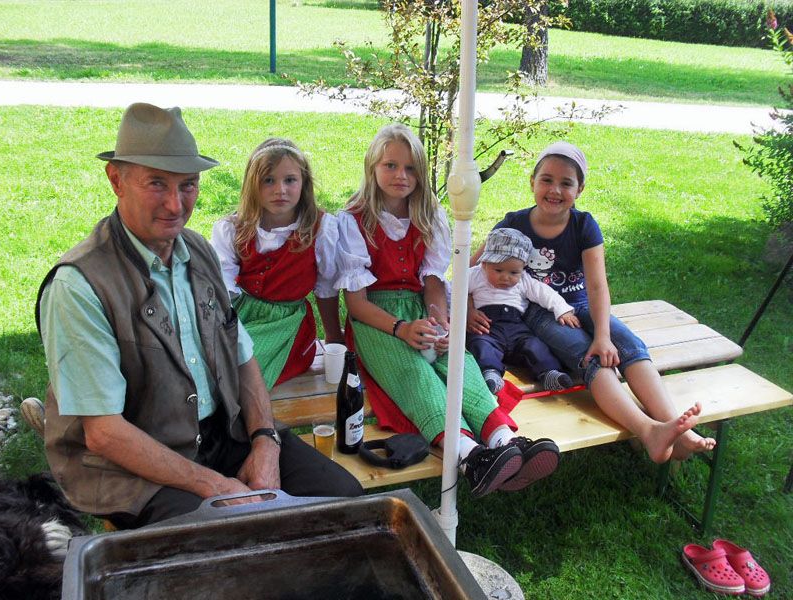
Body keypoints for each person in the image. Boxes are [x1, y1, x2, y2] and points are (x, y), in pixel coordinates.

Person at [36, 103, 362, 530]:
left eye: (188, 185)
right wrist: (218, 488)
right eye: (157, 183)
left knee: (346, 504)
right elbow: (103, 433)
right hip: (135, 466)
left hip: (223, 434)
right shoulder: (80, 285)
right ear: (116, 180)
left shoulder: (198, 251)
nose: (175, 205)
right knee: (226, 543)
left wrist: (265, 442)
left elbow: (242, 356)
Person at [335, 123, 560, 498]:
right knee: (414, 373)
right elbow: (356, 304)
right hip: (378, 320)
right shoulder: (353, 220)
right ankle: (470, 456)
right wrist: (402, 328)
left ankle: (503, 441)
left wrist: (440, 320)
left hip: (421, 307)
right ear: (372, 167)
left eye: (410, 169)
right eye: (390, 166)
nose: (401, 176)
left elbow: (433, 281)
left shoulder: (428, 215)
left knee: (457, 360)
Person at [472, 141, 716, 463]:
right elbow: (471, 269)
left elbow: (598, 286)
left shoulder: (583, 225)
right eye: (546, 180)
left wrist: (603, 335)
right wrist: (468, 309)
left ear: (580, 189)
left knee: (628, 345)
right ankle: (649, 431)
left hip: (582, 303)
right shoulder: (513, 224)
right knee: (589, 357)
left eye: (566, 183)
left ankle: (676, 428)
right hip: (539, 312)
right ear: (532, 182)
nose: (555, 190)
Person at [210, 138, 343, 390]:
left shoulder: (319, 228)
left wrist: (334, 336)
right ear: (252, 185)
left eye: (290, 180)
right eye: (268, 180)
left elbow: (326, 287)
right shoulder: (234, 229)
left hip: (288, 325)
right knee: (211, 360)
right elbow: (222, 288)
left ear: (304, 183)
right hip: (242, 315)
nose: (280, 189)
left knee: (241, 369)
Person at [467, 227, 578, 394]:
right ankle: (490, 373)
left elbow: (543, 292)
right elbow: (453, 291)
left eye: (514, 272)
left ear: (523, 268)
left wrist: (562, 310)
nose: (505, 277)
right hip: (486, 328)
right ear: (484, 264)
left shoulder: (524, 280)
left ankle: (549, 373)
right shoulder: (474, 275)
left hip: (516, 329)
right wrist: (468, 311)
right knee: (480, 345)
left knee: (534, 345)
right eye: (498, 270)